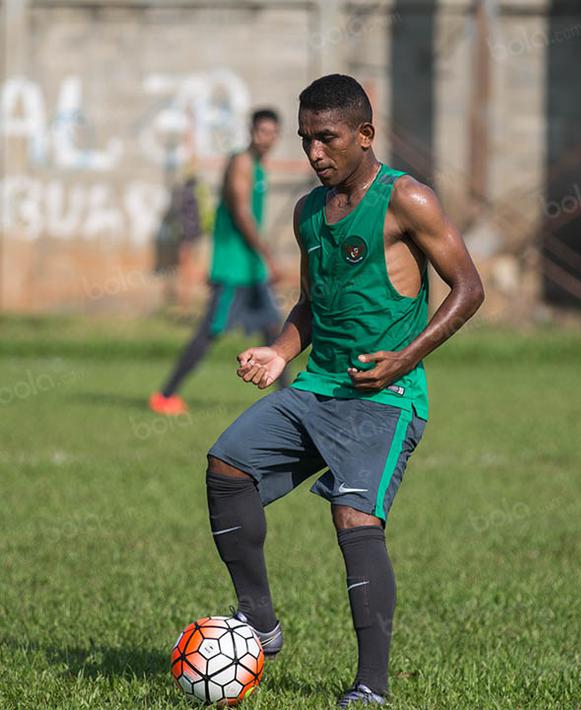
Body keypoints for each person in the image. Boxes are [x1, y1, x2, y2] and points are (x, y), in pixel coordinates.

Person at [203, 74, 484, 707]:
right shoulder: (308, 211)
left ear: (365, 134)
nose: (314, 153)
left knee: (353, 518)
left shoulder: (408, 199)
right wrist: (278, 353)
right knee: (227, 466)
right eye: (306, 140)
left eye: (326, 138)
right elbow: (310, 302)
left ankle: (370, 689)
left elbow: (469, 288)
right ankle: (260, 625)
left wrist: (404, 358)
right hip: (317, 387)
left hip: (385, 399)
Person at [150, 109, 287, 415]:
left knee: (273, 333)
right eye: (262, 131)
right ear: (251, 131)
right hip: (234, 269)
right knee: (210, 332)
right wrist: (268, 256)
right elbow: (240, 212)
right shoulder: (241, 162)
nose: (267, 138)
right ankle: (165, 396)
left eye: (273, 133)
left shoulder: (259, 167)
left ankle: (289, 402)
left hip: (251, 270)